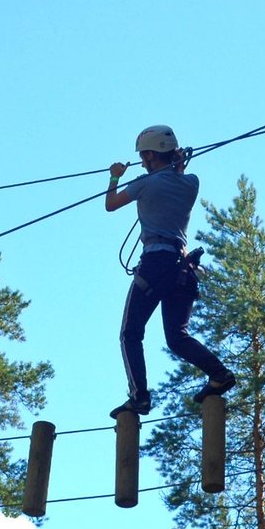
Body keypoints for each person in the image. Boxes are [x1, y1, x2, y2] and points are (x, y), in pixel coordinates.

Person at [105, 125, 236, 418]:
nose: (141, 161)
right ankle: (219, 374)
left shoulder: (144, 184)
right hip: (183, 267)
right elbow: (176, 177)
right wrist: (177, 165)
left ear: (151, 155)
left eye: (143, 156)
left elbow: (111, 205)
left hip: (155, 263)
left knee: (131, 333)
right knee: (177, 336)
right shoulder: (191, 183)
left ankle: (139, 396)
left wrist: (115, 176)